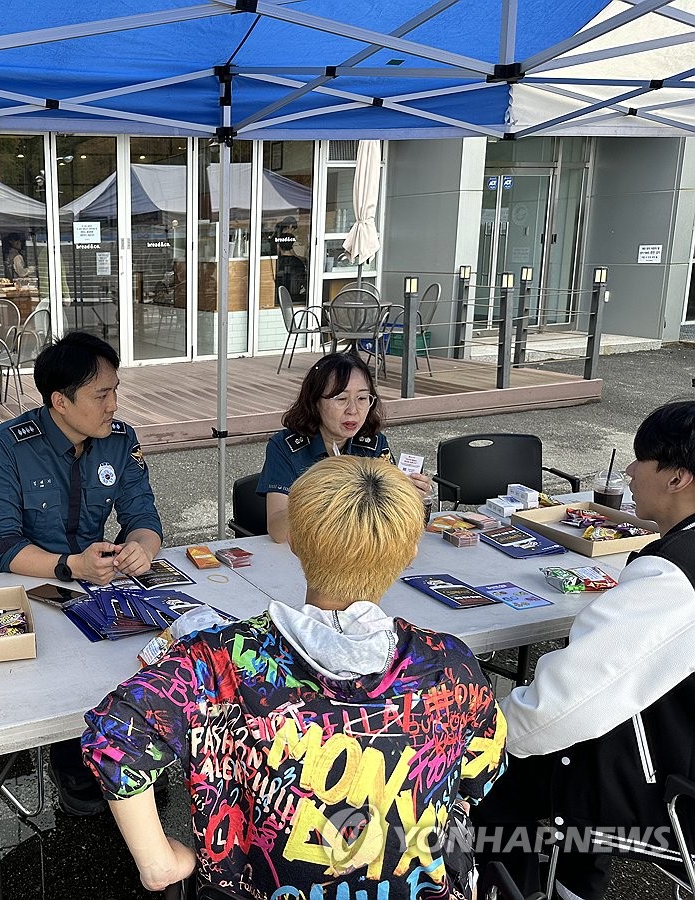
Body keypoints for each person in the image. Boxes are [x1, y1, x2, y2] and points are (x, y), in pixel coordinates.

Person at [83, 456, 507, 899]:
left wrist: (159, 863)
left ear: (297, 543)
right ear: (410, 550)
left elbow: (115, 736)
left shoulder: (220, 661)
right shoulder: (450, 665)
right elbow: (479, 778)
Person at [475, 399, 695, 900]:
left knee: (496, 784)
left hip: (665, 789)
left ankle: (555, 883)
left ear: (678, 478)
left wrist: (476, 738)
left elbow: (557, 710)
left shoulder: (675, 578)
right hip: (675, 747)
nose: (632, 474)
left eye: (641, 460)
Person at [0, 330, 163, 816]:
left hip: (103, 588)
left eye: (115, 391)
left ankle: (125, 750)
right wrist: (69, 565)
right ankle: (73, 756)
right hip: (32, 590)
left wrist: (141, 550)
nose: (114, 405)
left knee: (148, 661)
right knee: (67, 686)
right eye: (101, 394)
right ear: (60, 400)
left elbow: (144, 518)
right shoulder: (5, 447)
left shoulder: (120, 442)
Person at [257, 351, 432, 543]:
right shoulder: (285, 446)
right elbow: (277, 531)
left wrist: (408, 497)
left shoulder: (372, 443)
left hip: (358, 552)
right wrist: (325, 497)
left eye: (362, 398)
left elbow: (388, 524)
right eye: (341, 399)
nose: (353, 410)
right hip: (305, 554)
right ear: (315, 402)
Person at [273, 215, 308, 305]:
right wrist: (300, 259)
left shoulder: (277, 262)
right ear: (290, 227)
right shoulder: (280, 238)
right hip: (295, 298)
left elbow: (290, 252)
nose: (293, 232)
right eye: (293, 229)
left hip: (278, 297)